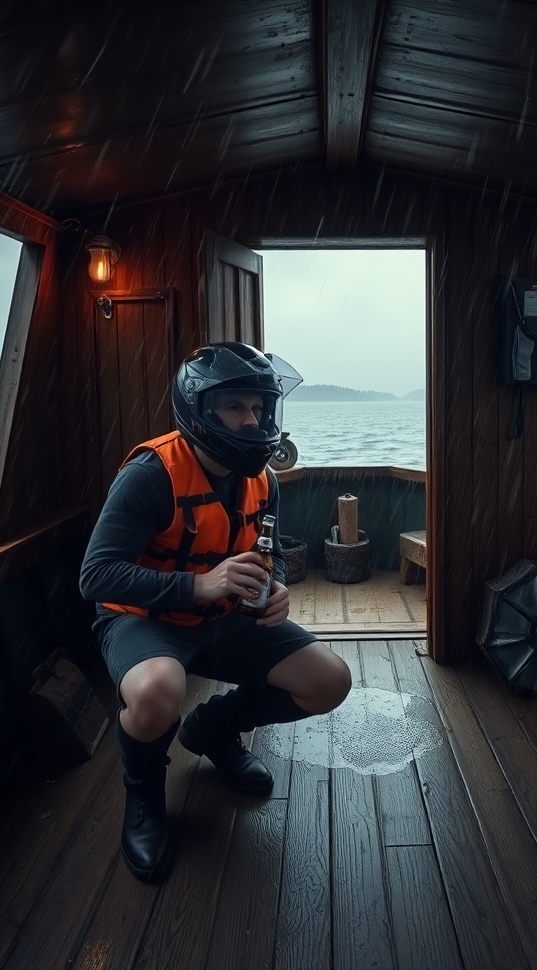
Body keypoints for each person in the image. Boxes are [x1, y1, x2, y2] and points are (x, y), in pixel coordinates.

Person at [79, 342, 351, 882]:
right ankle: (145, 796)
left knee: (330, 682)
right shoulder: (151, 474)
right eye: (235, 407)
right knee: (158, 691)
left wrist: (273, 586)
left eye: (258, 407)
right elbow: (96, 576)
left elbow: (263, 553)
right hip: (143, 619)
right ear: (200, 410)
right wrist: (199, 586)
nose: (251, 420)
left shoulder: (264, 480)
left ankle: (210, 730)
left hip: (222, 617)